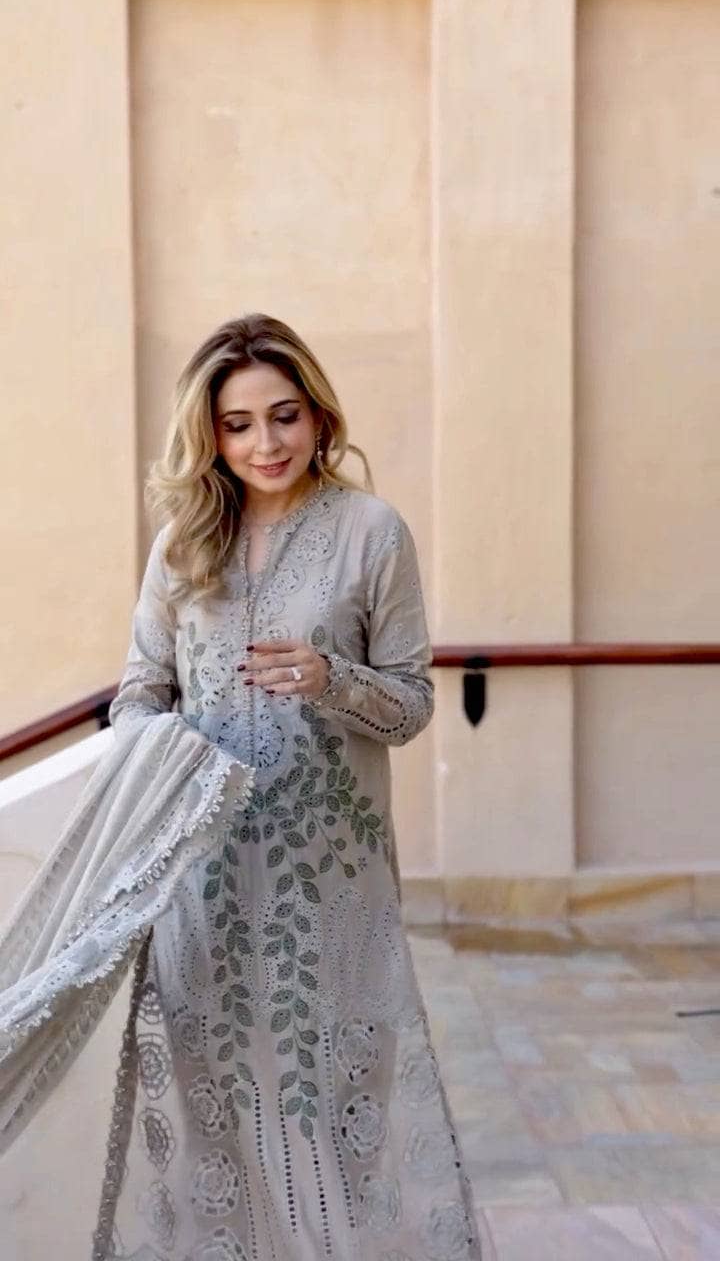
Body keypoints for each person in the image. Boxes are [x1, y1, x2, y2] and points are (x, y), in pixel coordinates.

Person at [5, 313, 482, 1260]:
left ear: (318, 414)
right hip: (201, 880)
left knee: (342, 1116)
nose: (266, 442)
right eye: (238, 423)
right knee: (216, 1112)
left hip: (331, 884)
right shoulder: (184, 544)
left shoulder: (372, 534)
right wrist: (176, 758)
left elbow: (414, 705)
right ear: (210, 434)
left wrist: (330, 678)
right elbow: (139, 694)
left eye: (284, 415)